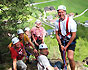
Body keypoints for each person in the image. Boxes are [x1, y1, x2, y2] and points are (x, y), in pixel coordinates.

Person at [55, 5, 77, 70]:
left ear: (65, 12)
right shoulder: (57, 22)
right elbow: (57, 34)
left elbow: (73, 35)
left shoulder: (71, 22)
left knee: (70, 57)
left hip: (70, 40)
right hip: (62, 40)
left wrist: (67, 46)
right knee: (63, 56)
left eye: (62, 12)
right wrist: (61, 44)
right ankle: (65, 66)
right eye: (59, 12)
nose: (60, 14)